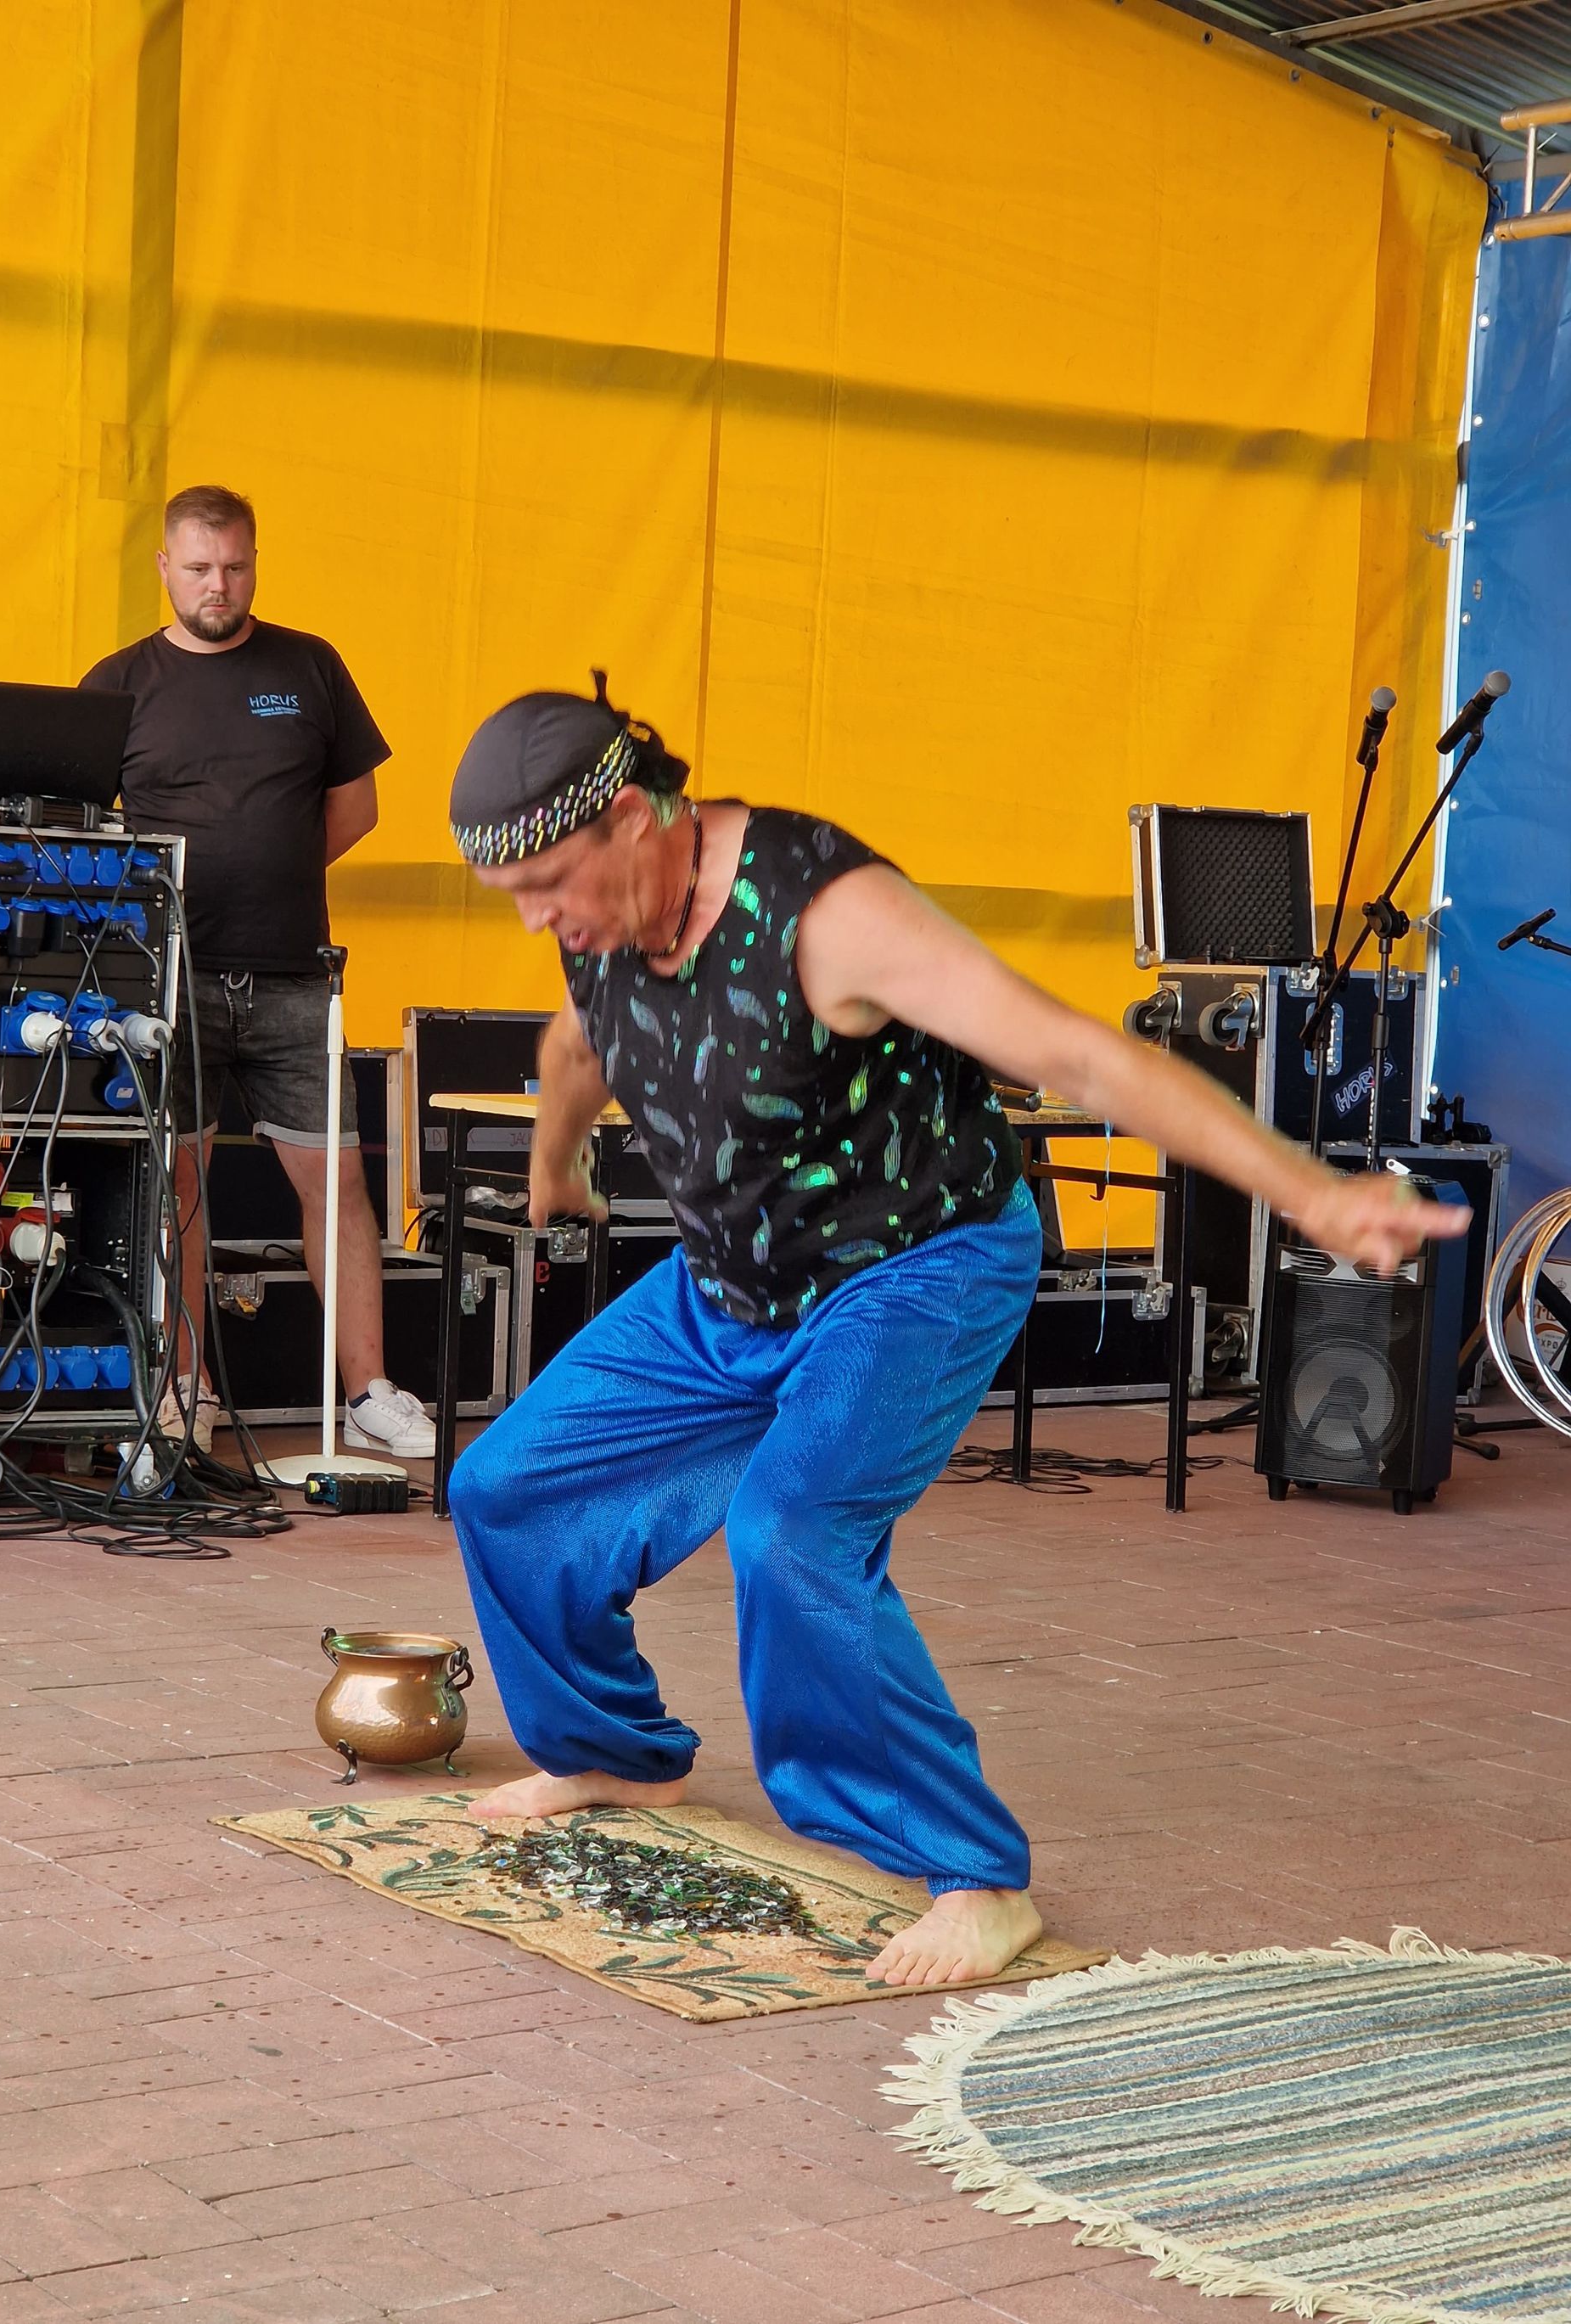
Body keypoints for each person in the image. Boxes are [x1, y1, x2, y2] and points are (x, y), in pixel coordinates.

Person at [441, 679, 1466, 1990]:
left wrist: (1312, 1193)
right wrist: (555, 1167)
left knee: (793, 1533)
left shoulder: (832, 915)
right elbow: (577, 1043)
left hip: (915, 1270)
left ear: (636, 817)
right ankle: (611, 1751)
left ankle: (975, 1876)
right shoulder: (605, 913)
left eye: (547, 884)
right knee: (509, 1486)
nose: (538, 917)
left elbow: (1080, 1056)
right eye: (515, 895)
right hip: (731, 1286)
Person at [80, 485, 432, 1459]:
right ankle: (182, 1387)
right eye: (198, 567)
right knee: (177, 1188)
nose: (217, 585)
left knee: (339, 1183)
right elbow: (80, 821)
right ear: (164, 567)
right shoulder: (117, 682)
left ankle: (369, 1393)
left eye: (234, 566)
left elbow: (356, 807)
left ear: (254, 563)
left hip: (292, 976)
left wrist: (271, 869)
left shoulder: (309, 664)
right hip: (169, 982)